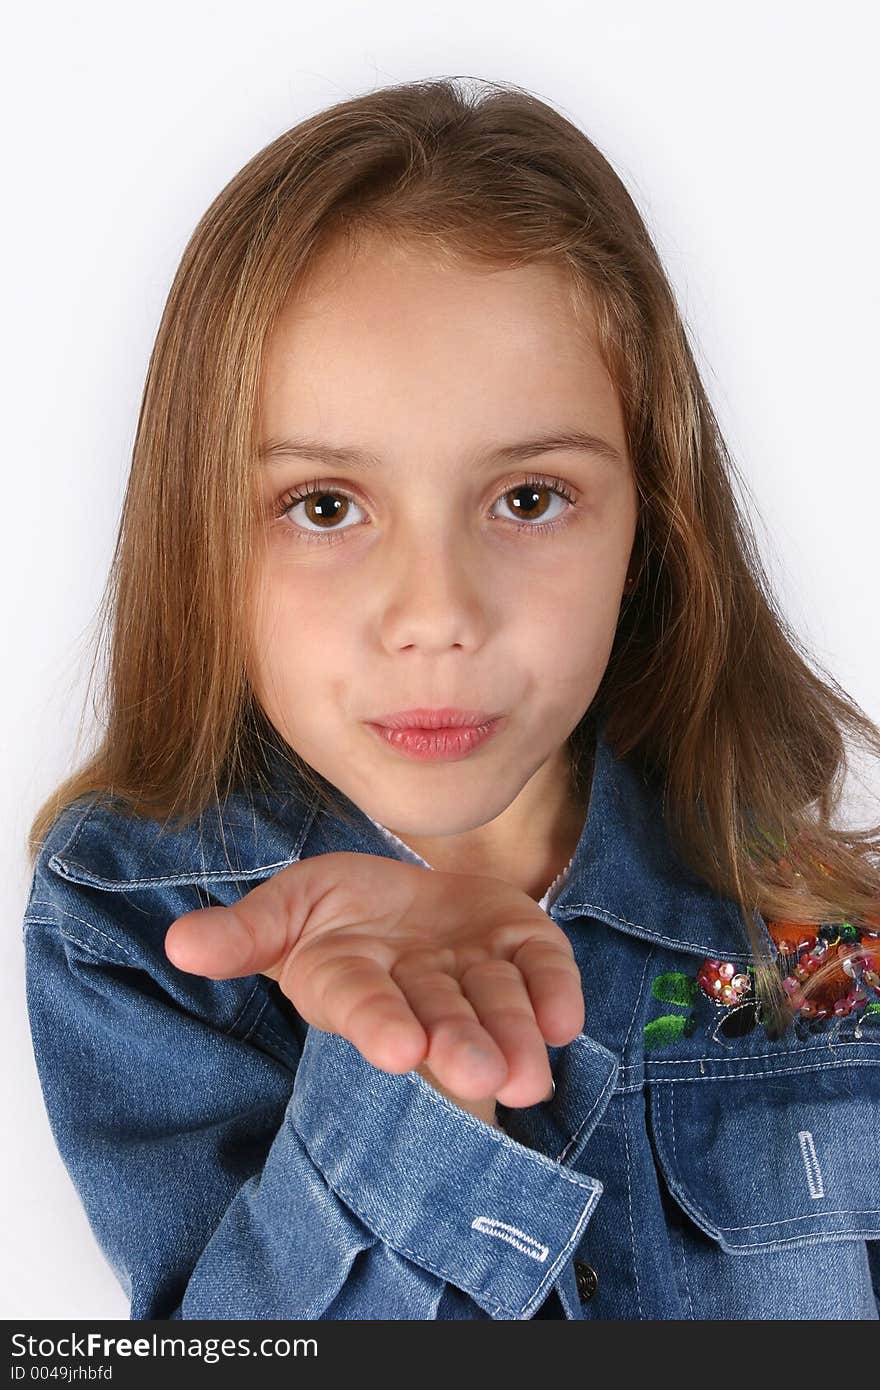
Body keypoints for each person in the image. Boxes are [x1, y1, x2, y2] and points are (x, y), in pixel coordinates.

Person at [21, 76, 880, 1322]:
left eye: (528, 498)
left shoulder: (821, 943)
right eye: (325, 506)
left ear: (654, 524)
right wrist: (407, 1081)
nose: (436, 612)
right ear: (200, 533)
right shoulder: (140, 932)